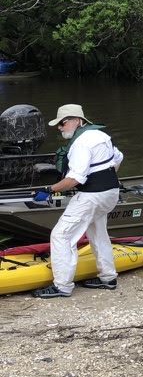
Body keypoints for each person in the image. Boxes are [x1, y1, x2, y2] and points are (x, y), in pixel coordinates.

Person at [33, 104, 124, 299]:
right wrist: (104, 179)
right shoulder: (101, 135)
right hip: (111, 193)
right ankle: (108, 278)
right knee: (98, 232)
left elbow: (75, 179)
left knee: (61, 236)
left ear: (78, 120)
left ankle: (62, 286)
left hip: (92, 196)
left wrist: (49, 190)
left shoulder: (81, 143)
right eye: (58, 124)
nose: (60, 127)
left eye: (63, 123)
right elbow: (118, 158)